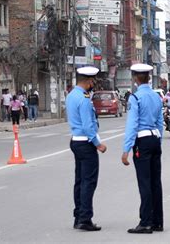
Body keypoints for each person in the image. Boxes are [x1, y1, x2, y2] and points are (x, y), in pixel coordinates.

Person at [121, 64, 164, 234]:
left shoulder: (135, 98)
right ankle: (158, 221)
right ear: (148, 78)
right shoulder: (156, 97)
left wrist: (126, 149)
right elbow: (160, 122)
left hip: (143, 141)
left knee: (144, 182)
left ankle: (145, 222)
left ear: (135, 79)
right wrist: (158, 141)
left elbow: (132, 125)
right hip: (155, 138)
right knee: (155, 182)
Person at [66, 66, 106, 232]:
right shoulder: (83, 99)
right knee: (89, 182)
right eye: (93, 80)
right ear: (89, 81)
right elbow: (88, 125)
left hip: (76, 140)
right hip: (86, 143)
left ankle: (78, 216)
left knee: (80, 181)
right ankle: (85, 218)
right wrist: (98, 144)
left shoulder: (71, 95)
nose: (93, 83)